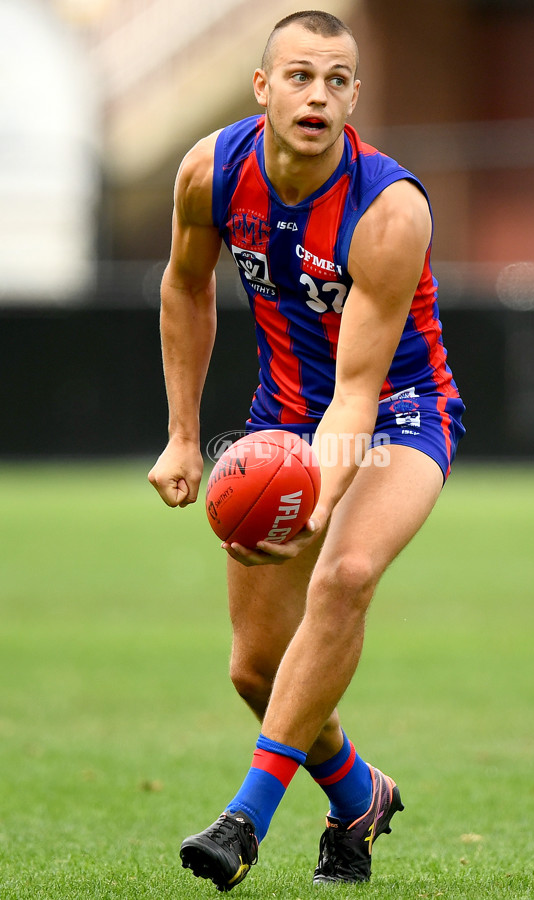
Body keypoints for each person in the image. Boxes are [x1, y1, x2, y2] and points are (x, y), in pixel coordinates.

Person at [148, 9, 465, 892]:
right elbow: (185, 288)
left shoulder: (388, 210)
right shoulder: (210, 173)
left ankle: (243, 821)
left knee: (345, 575)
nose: (316, 94)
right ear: (262, 86)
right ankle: (361, 793)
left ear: (355, 95)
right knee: (256, 667)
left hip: (401, 413)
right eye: (298, 75)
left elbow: (358, 394)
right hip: (279, 413)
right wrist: (181, 435)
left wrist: (316, 506)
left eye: (335, 80)